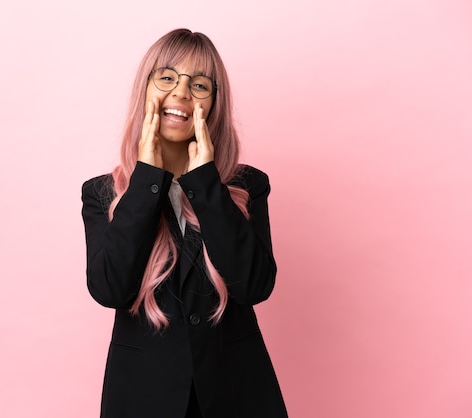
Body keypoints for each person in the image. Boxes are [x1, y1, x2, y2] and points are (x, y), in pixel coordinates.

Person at [81, 28, 289, 418]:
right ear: (146, 90)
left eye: (199, 84)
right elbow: (111, 289)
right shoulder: (101, 193)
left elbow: (255, 286)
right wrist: (146, 177)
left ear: (213, 104)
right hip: (142, 399)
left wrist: (206, 181)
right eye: (166, 78)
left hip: (237, 395)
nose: (180, 93)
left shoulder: (249, 186)